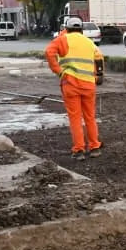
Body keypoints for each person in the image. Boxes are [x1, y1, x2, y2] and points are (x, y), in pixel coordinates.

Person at [45, 17, 104, 161]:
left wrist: (58, 71)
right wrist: (99, 74)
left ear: (67, 28)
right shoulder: (89, 42)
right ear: (81, 29)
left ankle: (79, 150)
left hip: (71, 84)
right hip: (89, 85)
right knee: (90, 117)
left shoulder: (63, 39)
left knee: (75, 118)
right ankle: (95, 147)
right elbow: (99, 58)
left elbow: (49, 52)